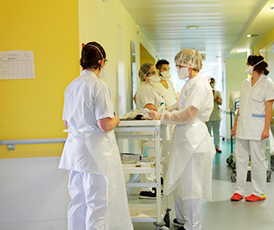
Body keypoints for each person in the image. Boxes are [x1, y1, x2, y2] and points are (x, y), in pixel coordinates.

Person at [59, 42, 133, 230]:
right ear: (101, 62)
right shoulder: (98, 86)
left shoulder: (71, 85)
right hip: (95, 155)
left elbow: (66, 122)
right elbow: (105, 124)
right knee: (97, 205)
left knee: (77, 202)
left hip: (74, 153)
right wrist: (116, 119)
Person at [149, 49, 216, 230]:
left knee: (192, 187)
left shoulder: (200, 85)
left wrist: (162, 116)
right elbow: (180, 105)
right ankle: (182, 220)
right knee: (181, 183)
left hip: (194, 140)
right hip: (185, 139)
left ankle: (193, 225)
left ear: (192, 64)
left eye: (180, 65)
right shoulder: (190, 83)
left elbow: (188, 114)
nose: (178, 69)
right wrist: (160, 112)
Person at [230, 54, 274, 202]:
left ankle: (259, 192)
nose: (246, 67)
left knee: (258, 160)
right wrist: (235, 124)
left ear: (255, 66)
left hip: (257, 127)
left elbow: (269, 108)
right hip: (242, 127)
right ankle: (239, 190)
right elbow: (241, 106)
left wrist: (266, 129)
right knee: (241, 159)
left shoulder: (267, 83)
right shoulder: (245, 83)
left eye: (248, 64)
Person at [135, 62, 165, 199]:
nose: (156, 74)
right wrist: (163, 110)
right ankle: (146, 188)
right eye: (153, 72)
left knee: (155, 157)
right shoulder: (145, 89)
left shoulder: (151, 87)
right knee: (149, 158)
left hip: (153, 128)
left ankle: (153, 184)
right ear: (145, 76)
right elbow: (150, 107)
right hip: (147, 129)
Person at [206, 77, 223, 153]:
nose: (212, 84)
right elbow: (204, 103)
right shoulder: (205, 93)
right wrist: (213, 100)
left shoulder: (217, 92)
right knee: (208, 132)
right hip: (208, 116)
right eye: (211, 82)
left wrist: (218, 100)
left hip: (216, 115)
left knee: (216, 132)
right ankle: (208, 148)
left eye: (213, 82)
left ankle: (217, 147)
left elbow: (220, 102)